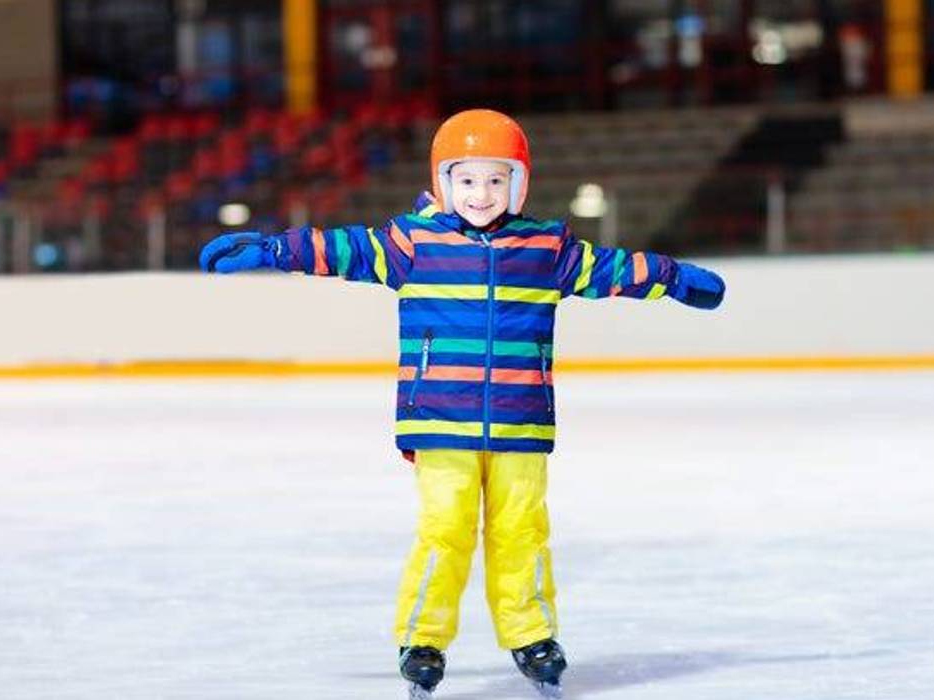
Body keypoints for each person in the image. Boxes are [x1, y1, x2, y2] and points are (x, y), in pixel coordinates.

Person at [199, 109, 725, 698]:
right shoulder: (411, 243)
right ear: (444, 183)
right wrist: (272, 250)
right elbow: (337, 249)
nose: (482, 193)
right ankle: (423, 638)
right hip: (437, 417)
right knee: (444, 529)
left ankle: (531, 635)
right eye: (468, 179)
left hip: (520, 422)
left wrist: (674, 277)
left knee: (521, 531)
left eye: (497, 179)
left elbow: (614, 270)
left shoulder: (544, 248)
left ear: (519, 183)